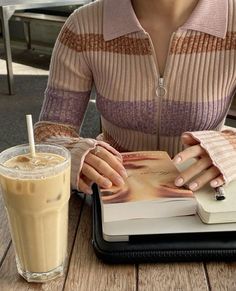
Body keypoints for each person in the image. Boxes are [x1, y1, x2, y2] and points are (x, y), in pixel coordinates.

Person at [34, 0, 236, 195]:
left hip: (206, 193)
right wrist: (73, 153)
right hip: (115, 189)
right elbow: (49, 131)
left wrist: (229, 149)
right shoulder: (83, 26)